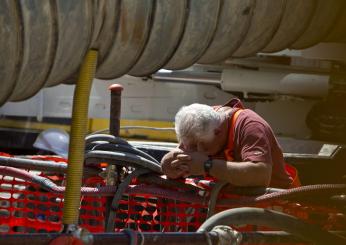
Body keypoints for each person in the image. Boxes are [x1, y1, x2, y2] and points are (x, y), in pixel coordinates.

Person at [161, 98, 299, 189]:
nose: (197, 151)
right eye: (190, 146)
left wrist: (207, 165)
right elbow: (177, 158)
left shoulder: (251, 126)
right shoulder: (199, 125)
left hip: (276, 207)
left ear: (218, 132)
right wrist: (168, 165)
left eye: (201, 145)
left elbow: (261, 175)